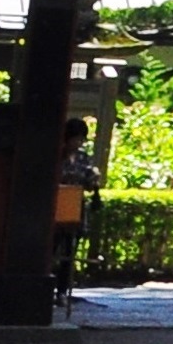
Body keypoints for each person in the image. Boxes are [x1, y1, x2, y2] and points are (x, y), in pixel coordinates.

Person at [49, 118, 101, 299]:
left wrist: (93, 178)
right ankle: (47, 287)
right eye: (75, 138)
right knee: (51, 249)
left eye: (81, 139)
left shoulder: (83, 157)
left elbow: (87, 182)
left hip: (75, 209)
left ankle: (62, 290)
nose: (78, 143)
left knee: (70, 251)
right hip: (56, 207)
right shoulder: (55, 155)